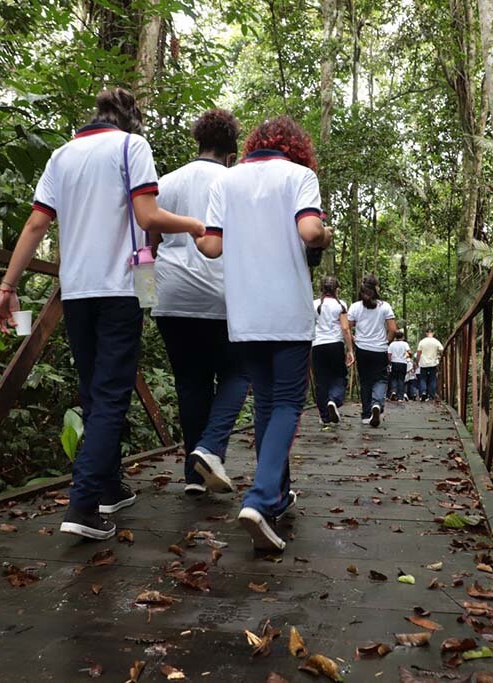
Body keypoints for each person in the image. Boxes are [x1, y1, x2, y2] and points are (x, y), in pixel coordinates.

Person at [0, 88, 204, 541]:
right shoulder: (132, 147)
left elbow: (36, 224)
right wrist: (193, 224)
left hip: (77, 291)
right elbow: (147, 217)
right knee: (110, 395)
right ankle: (84, 504)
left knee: (93, 390)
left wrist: (8, 287)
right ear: (131, 120)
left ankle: (107, 486)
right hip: (119, 288)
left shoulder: (61, 155)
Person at [196, 116, 331, 552]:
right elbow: (310, 231)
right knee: (290, 403)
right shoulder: (299, 176)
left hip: (245, 312)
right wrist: (325, 233)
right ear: (295, 148)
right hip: (287, 310)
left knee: (268, 402)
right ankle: (258, 497)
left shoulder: (226, 183)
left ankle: (274, 496)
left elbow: (211, 246)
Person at [152, 109, 249, 497]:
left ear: (199, 142)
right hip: (224, 296)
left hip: (171, 296)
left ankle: (195, 478)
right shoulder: (236, 183)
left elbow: (149, 244)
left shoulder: (165, 182)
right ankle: (210, 449)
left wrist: (147, 298)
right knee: (240, 374)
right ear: (232, 151)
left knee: (190, 385)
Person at [347, 275, 397, 427]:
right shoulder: (385, 306)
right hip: (379, 349)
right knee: (380, 379)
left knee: (365, 381)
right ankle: (377, 404)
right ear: (376, 288)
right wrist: (386, 341)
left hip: (362, 349)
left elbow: (347, 328)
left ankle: (366, 414)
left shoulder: (355, 307)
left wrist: (355, 340)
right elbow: (393, 329)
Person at [312, 276, 355, 425]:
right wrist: (350, 350)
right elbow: (345, 328)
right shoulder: (341, 304)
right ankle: (334, 401)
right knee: (339, 376)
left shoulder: (314, 304)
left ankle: (324, 416)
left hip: (317, 345)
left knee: (321, 380)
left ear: (321, 289)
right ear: (336, 289)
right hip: (335, 345)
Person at [416, 328, 444, 401]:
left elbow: (418, 353)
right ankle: (431, 395)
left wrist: (417, 362)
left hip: (423, 363)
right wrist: (440, 357)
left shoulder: (422, 342)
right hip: (433, 363)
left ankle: (423, 392)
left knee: (423, 379)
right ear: (433, 333)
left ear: (426, 333)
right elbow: (442, 350)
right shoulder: (436, 341)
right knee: (432, 379)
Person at [387, 331, 411, 401]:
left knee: (394, 378)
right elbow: (409, 352)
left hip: (394, 362)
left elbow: (389, 354)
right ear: (403, 337)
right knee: (401, 379)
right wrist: (408, 357)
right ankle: (400, 397)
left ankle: (393, 391)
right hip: (403, 363)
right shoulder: (405, 344)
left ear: (395, 337)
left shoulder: (392, 344)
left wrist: (390, 361)